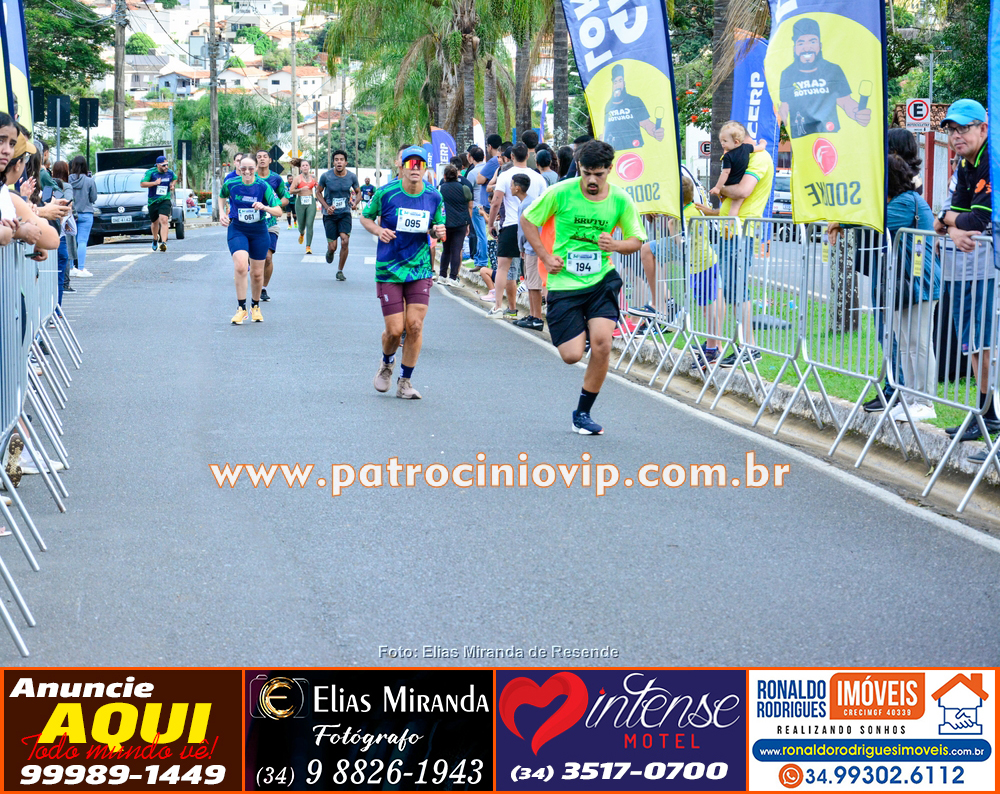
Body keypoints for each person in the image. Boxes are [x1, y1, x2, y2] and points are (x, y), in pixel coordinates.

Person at [520, 140, 646, 435]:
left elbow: (636, 240)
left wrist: (615, 245)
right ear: (579, 167)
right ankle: (583, 328)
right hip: (564, 283)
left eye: (598, 174)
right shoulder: (561, 192)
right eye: (586, 172)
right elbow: (527, 220)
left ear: (609, 170)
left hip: (601, 279)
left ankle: (583, 413)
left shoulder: (620, 199)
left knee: (603, 344)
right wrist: (545, 256)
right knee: (572, 356)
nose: (592, 180)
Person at [932, 99, 996, 445]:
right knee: (973, 342)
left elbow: (978, 219)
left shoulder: (991, 160)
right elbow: (954, 215)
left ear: (983, 128)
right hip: (966, 266)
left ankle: (989, 413)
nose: (956, 136)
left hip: (986, 267)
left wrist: (948, 222)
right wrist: (950, 225)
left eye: (963, 128)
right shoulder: (966, 163)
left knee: (982, 342)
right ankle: (985, 412)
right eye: (952, 130)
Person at [361, 146, 446, 399]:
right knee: (395, 330)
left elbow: (436, 227)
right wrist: (379, 231)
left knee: (415, 326)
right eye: (410, 164)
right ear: (401, 166)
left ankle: (405, 382)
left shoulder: (434, 196)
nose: (415, 168)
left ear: (426, 168)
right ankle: (387, 363)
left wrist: (438, 232)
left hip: (419, 268)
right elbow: (365, 217)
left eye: (420, 164)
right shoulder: (385, 193)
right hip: (389, 268)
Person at [694, 122, 775, 368]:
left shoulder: (758, 158)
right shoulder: (744, 156)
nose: (725, 149)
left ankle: (749, 347)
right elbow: (735, 199)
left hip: (740, 233)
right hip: (729, 230)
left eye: (727, 144)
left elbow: (742, 191)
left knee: (736, 289)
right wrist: (712, 211)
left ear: (740, 141)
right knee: (729, 288)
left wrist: (720, 189)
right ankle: (730, 345)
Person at [884, 152, 941, 424]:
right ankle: (910, 397)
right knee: (906, 343)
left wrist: (840, 221)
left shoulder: (906, 202)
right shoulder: (902, 201)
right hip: (906, 282)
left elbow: (875, 221)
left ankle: (925, 401)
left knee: (918, 343)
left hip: (921, 281)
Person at [777, 17, 872, 138]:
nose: (807, 47)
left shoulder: (833, 70)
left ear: (820, 45)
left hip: (830, 135)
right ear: (795, 48)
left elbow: (845, 101)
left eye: (812, 42)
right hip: (801, 138)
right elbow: (784, 107)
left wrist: (857, 114)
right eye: (801, 43)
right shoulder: (787, 73)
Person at [487, 142, 547, 318]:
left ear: (511, 157)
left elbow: (496, 202)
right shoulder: (538, 177)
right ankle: (533, 313)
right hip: (532, 225)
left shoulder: (505, 176)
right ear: (528, 156)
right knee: (531, 269)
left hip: (510, 224)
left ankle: (499, 306)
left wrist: (491, 224)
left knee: (503, 267)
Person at [220, 157, 283, 324]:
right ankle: (241, 309)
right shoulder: (231, 183)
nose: (247, 172)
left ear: (255, 169)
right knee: (241, 265)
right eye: (243, 169)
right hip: (238, 229)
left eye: (250, 168)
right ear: (239, 168)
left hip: (259, 231)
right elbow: (221, 196)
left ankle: (255, 306)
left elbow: (278, 211)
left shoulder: (263, 186)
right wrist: (221, 213)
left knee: (256, 274)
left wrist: (265, 207)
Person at [709, 121, 767, 217]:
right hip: (738, 182)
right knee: (734, 207)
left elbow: (726, 173)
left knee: (733, 205)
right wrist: (763, 142)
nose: (722, 144)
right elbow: (760, 147)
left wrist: (718, 188)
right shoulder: (747, 148)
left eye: (725, 141)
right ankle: (730, 222)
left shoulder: (728, 156)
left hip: (743, 222)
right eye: (721, 141)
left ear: (736, 142)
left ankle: (730, 223)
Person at [254, 149, 291, 302]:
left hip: (270, 223)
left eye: (265, 157)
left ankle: (263, 288)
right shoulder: (251, 177)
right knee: (253, 258)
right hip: (252, 222)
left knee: (268, 258)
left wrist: (272, 206)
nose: (262, 159)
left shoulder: (276, 179)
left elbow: (286, 198)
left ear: (270, 160)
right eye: (259, 157)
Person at [318, 149, 360, 280]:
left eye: (341, 160)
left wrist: (354, 203)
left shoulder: (351, 177)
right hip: (330, 215)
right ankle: (330, 251)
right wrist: (327, 207)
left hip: (344, 213)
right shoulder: (326, 176)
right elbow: (318, 192)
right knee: (333, 247)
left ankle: (340, 271)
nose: (339, 162)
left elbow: (358, 192)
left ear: (346, 162)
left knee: (345, 240)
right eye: (336, 160)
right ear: (333, 162)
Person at [603, 65, 666, 151]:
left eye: (620, 81)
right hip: (614, 151)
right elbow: (605, 129)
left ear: (624, 83)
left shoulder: (635, 101)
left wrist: (655, 132)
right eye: (615, 82)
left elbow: (646, 123)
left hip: (635, 149)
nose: (618, 85)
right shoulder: (608, 105)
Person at [512, 174, 544, 330]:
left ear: (518, 188)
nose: (510, 188)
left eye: (512, 185)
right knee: (530, 283)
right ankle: (532, 315)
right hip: (531, 246)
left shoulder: (526, 205)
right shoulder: (530, 202)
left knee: (534, 284)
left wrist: (521, 247)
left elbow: (523, 230)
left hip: (531, 247)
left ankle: (537, 317)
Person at [438, 164, 473, 284]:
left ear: (444, 176)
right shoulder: (464, 188)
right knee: (456, 250)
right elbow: (468, 205)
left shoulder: (440, 189)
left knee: (446, 249)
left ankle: (442, 275)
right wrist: (468, 223)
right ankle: (453, 277)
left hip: (446, 223)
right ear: (457, 175)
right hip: (460, 223)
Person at [140, 155, 176, 252]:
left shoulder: (169, 172)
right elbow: (142, 184)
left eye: (167, 165)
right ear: (158, 165)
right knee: (155, 222)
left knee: (164, 220)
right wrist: (154, 183)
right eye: (164, 165)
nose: (166, 167)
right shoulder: (151, 172)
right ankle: (155, 239)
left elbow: (175, 178)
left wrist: (172, 184)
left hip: (165, 199)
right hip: (153, 201)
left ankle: (163, 243)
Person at [68, 155, 97, 277]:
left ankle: (70, 267)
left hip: (71, 215)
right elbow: (93, 198)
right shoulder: (90, 181)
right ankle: (81, 268)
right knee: (82, 241)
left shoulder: (68, 180)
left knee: (71, 241)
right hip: (86, 214)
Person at [464, 146, 489, 272]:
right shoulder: (488, 168)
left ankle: (482, 261)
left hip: (476, 207)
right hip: (487, 205)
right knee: (485, 234)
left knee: (481, 235)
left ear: (471, 157)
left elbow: (467, 192)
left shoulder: (472, 173)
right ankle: (480, 260)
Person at [290, 159, 318, 254]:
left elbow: (318, 188)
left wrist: (318, 187)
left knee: (310, 224)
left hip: (311, 201)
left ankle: (308, 246)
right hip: (300, 202)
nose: (305, 167)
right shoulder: (297, 178)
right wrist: (300, 189)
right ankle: (302, 233)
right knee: (301, 225)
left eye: (307, 165)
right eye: (303, 165)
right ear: (300, 168)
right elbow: (291, 191)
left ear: (309, 167)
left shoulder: (313, 177)